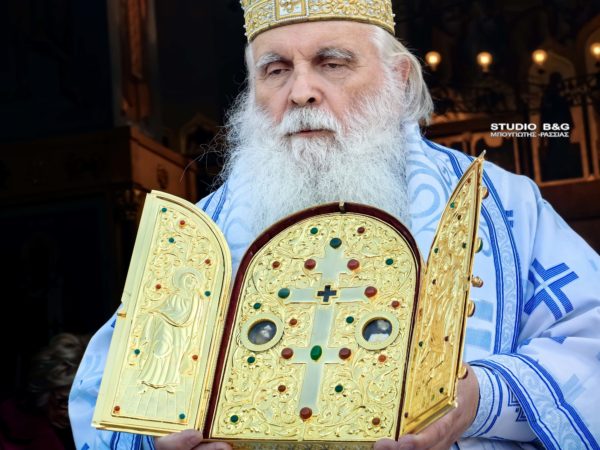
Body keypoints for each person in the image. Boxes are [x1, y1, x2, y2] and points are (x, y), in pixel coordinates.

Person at [69, 1, 600, 449]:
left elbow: (590, 338)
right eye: (276, 70)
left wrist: (480, 399)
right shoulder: (200, 234)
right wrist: (157, 440)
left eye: (332, 63)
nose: (301, 91)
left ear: (399, 78)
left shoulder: (499, 207)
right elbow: (106, 390)